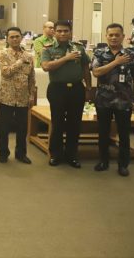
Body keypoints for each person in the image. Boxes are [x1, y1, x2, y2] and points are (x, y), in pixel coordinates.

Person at [92, 23, 134, 177]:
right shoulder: (99, 53)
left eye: (117, 35)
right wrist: (116, 62)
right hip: (103, 100)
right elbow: (96, 72)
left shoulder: (131, 54)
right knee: (103, 132)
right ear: (106, 36)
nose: (113, 37)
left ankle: (123, 165)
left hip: (124, 100)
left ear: (123, 36)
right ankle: (103, 161)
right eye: (111, 35)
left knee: (124, 133)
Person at [41, 20, 92, 168]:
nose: (62, 33)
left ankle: (71, 155)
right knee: (57, 123)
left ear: (70, 32)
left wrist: (88, 88)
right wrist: (66, 58)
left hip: (77, 89)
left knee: (74, 124)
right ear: (54, 32)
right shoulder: (49, 49)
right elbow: (46, 66)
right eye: (59, 31)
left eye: (65, 31)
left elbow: (85, 69)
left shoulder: (79, 48)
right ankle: (55, 154)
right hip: (57, 89)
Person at [0, 27, 36, 164]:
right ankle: (3, 154)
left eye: (17, 36)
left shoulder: (29, 56)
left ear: (21, 38)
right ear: (7, 39)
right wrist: (20, 62)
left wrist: (31, 95)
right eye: (12, 37)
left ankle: (21, 154)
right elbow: (6, 72)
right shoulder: (3, 54)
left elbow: (32, 77)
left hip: (23, 98)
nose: (15, 39)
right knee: (4, 128)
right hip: (7, 97)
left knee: (22, 129)